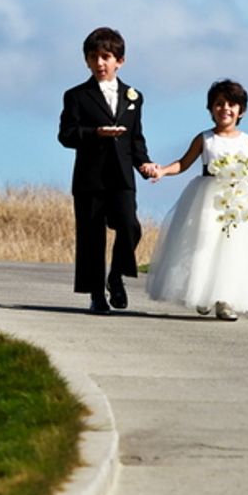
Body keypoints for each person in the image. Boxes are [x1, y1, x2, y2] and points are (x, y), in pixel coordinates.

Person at [146, 79, 248, 320]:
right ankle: (203, 294)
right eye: (219, 104)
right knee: (204, 245)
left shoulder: (246, 140)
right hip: (208, 200)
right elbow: (183, 163)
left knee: (232, 249)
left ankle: (224, 300)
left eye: (231, 104)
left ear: (241, 111)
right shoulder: (205, 139)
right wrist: (163, 171)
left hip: (238, 200)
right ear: (211, 108)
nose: (225, 109)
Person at [58, 26, 158, 314]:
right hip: (90, 179)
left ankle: (116, 277)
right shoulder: (76, 96)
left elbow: (135, 138)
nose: (100, 63)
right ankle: (96, 295)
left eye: (106, 57)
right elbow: (66, 135)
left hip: (122, 177)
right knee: (92, 237)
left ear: (119, 61)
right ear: (86, 61)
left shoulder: (133, 97)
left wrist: (145, 164)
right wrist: (95, 133)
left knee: (130, 226)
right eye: (93, 57)